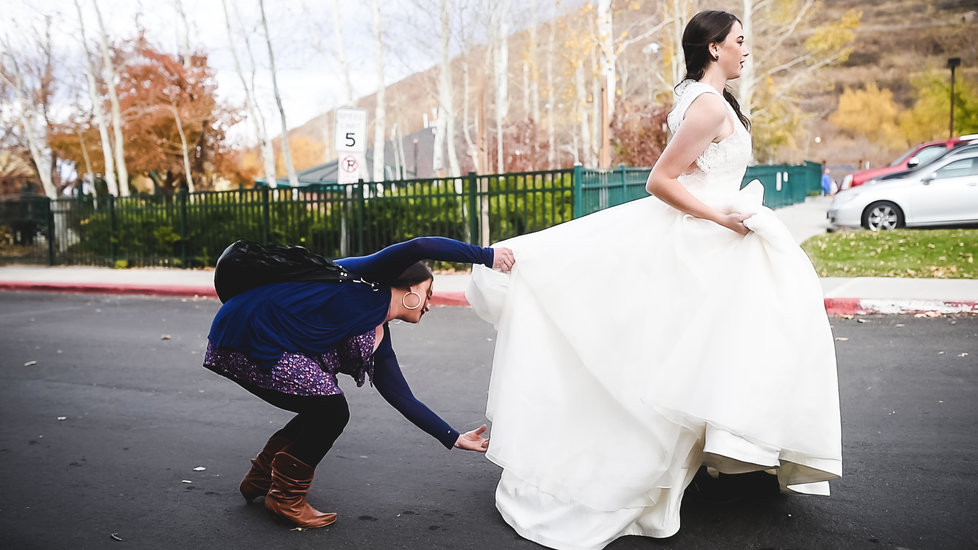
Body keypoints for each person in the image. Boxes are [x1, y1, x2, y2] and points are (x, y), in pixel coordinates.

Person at [466, 10, 841, 550]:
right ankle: (665, 466)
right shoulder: (708, 105)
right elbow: (660, 180)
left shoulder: (700, 96)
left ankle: (739, 458)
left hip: (718, 235)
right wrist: (720, 219)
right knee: (696, 356)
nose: (746, 49)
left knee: (720, 350)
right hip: (710, 237)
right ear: (714, 47)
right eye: (740, 41)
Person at [203, 237, 515, 528]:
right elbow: (420, 245)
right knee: (331, 410)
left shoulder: (379, 337)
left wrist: (453, 437)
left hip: (259, 340)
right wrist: (487, 257)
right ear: (409, 286)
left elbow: (403, 398)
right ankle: (285, 498)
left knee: (320, 410)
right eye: (428, 293)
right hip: (249, 332)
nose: (429, 304)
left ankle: (261, 478)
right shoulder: (372, 276)